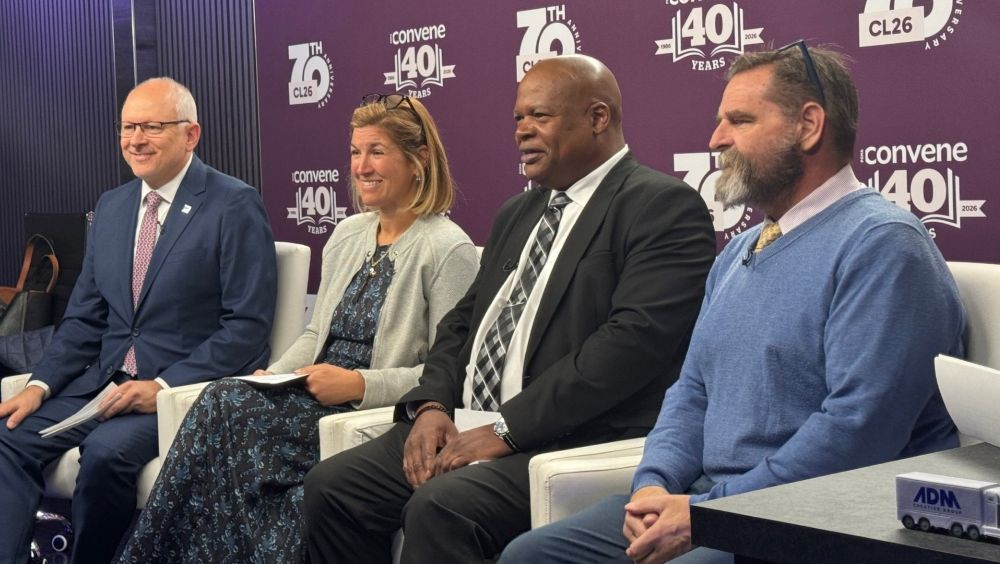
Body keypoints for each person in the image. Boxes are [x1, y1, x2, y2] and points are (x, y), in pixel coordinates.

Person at [499, 43, 966, 564]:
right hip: (711, 501)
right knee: (530, 555)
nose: (716, 138)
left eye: (739, 120)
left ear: (808, 126)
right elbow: (692, 390)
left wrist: (711, 511)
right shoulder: (741, 250)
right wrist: (654, 485)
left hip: (816, 517)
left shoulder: (882, 245)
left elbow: (857, 433)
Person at [302, 54, 717, 563]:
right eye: (519, 118)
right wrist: (431, 404)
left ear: (598, 117)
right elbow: (462, 321)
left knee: (442, 506)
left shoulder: (660, 206)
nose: (522, 131)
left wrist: (507, 428)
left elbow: (629, 348)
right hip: (468, 420)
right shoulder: (518, 211)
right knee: (333, 485)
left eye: (540, 117)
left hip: (565, 436)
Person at [119, 93, 479, 563]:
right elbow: (315, 335)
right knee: (227, 398)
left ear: (418, 160)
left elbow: (446, 372)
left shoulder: (447, 248)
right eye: (355, 152)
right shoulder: (348, 234)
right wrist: (274, 374)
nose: (361, 166)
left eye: (377, 152)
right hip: (308, 390)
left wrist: (357, 384)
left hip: (362, 407)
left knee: (226, 410)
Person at [0, 77, 277, 563]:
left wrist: (164, 385)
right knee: (7, 438)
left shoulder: (233, 204)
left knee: (105, 455)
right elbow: (86, 319)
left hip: (174, 395)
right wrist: (39, 386)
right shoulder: (112, 206)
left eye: (152, 126)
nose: (135, 140)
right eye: (128, 127)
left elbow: (246, 329)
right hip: (101, 386)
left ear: (191, 135)